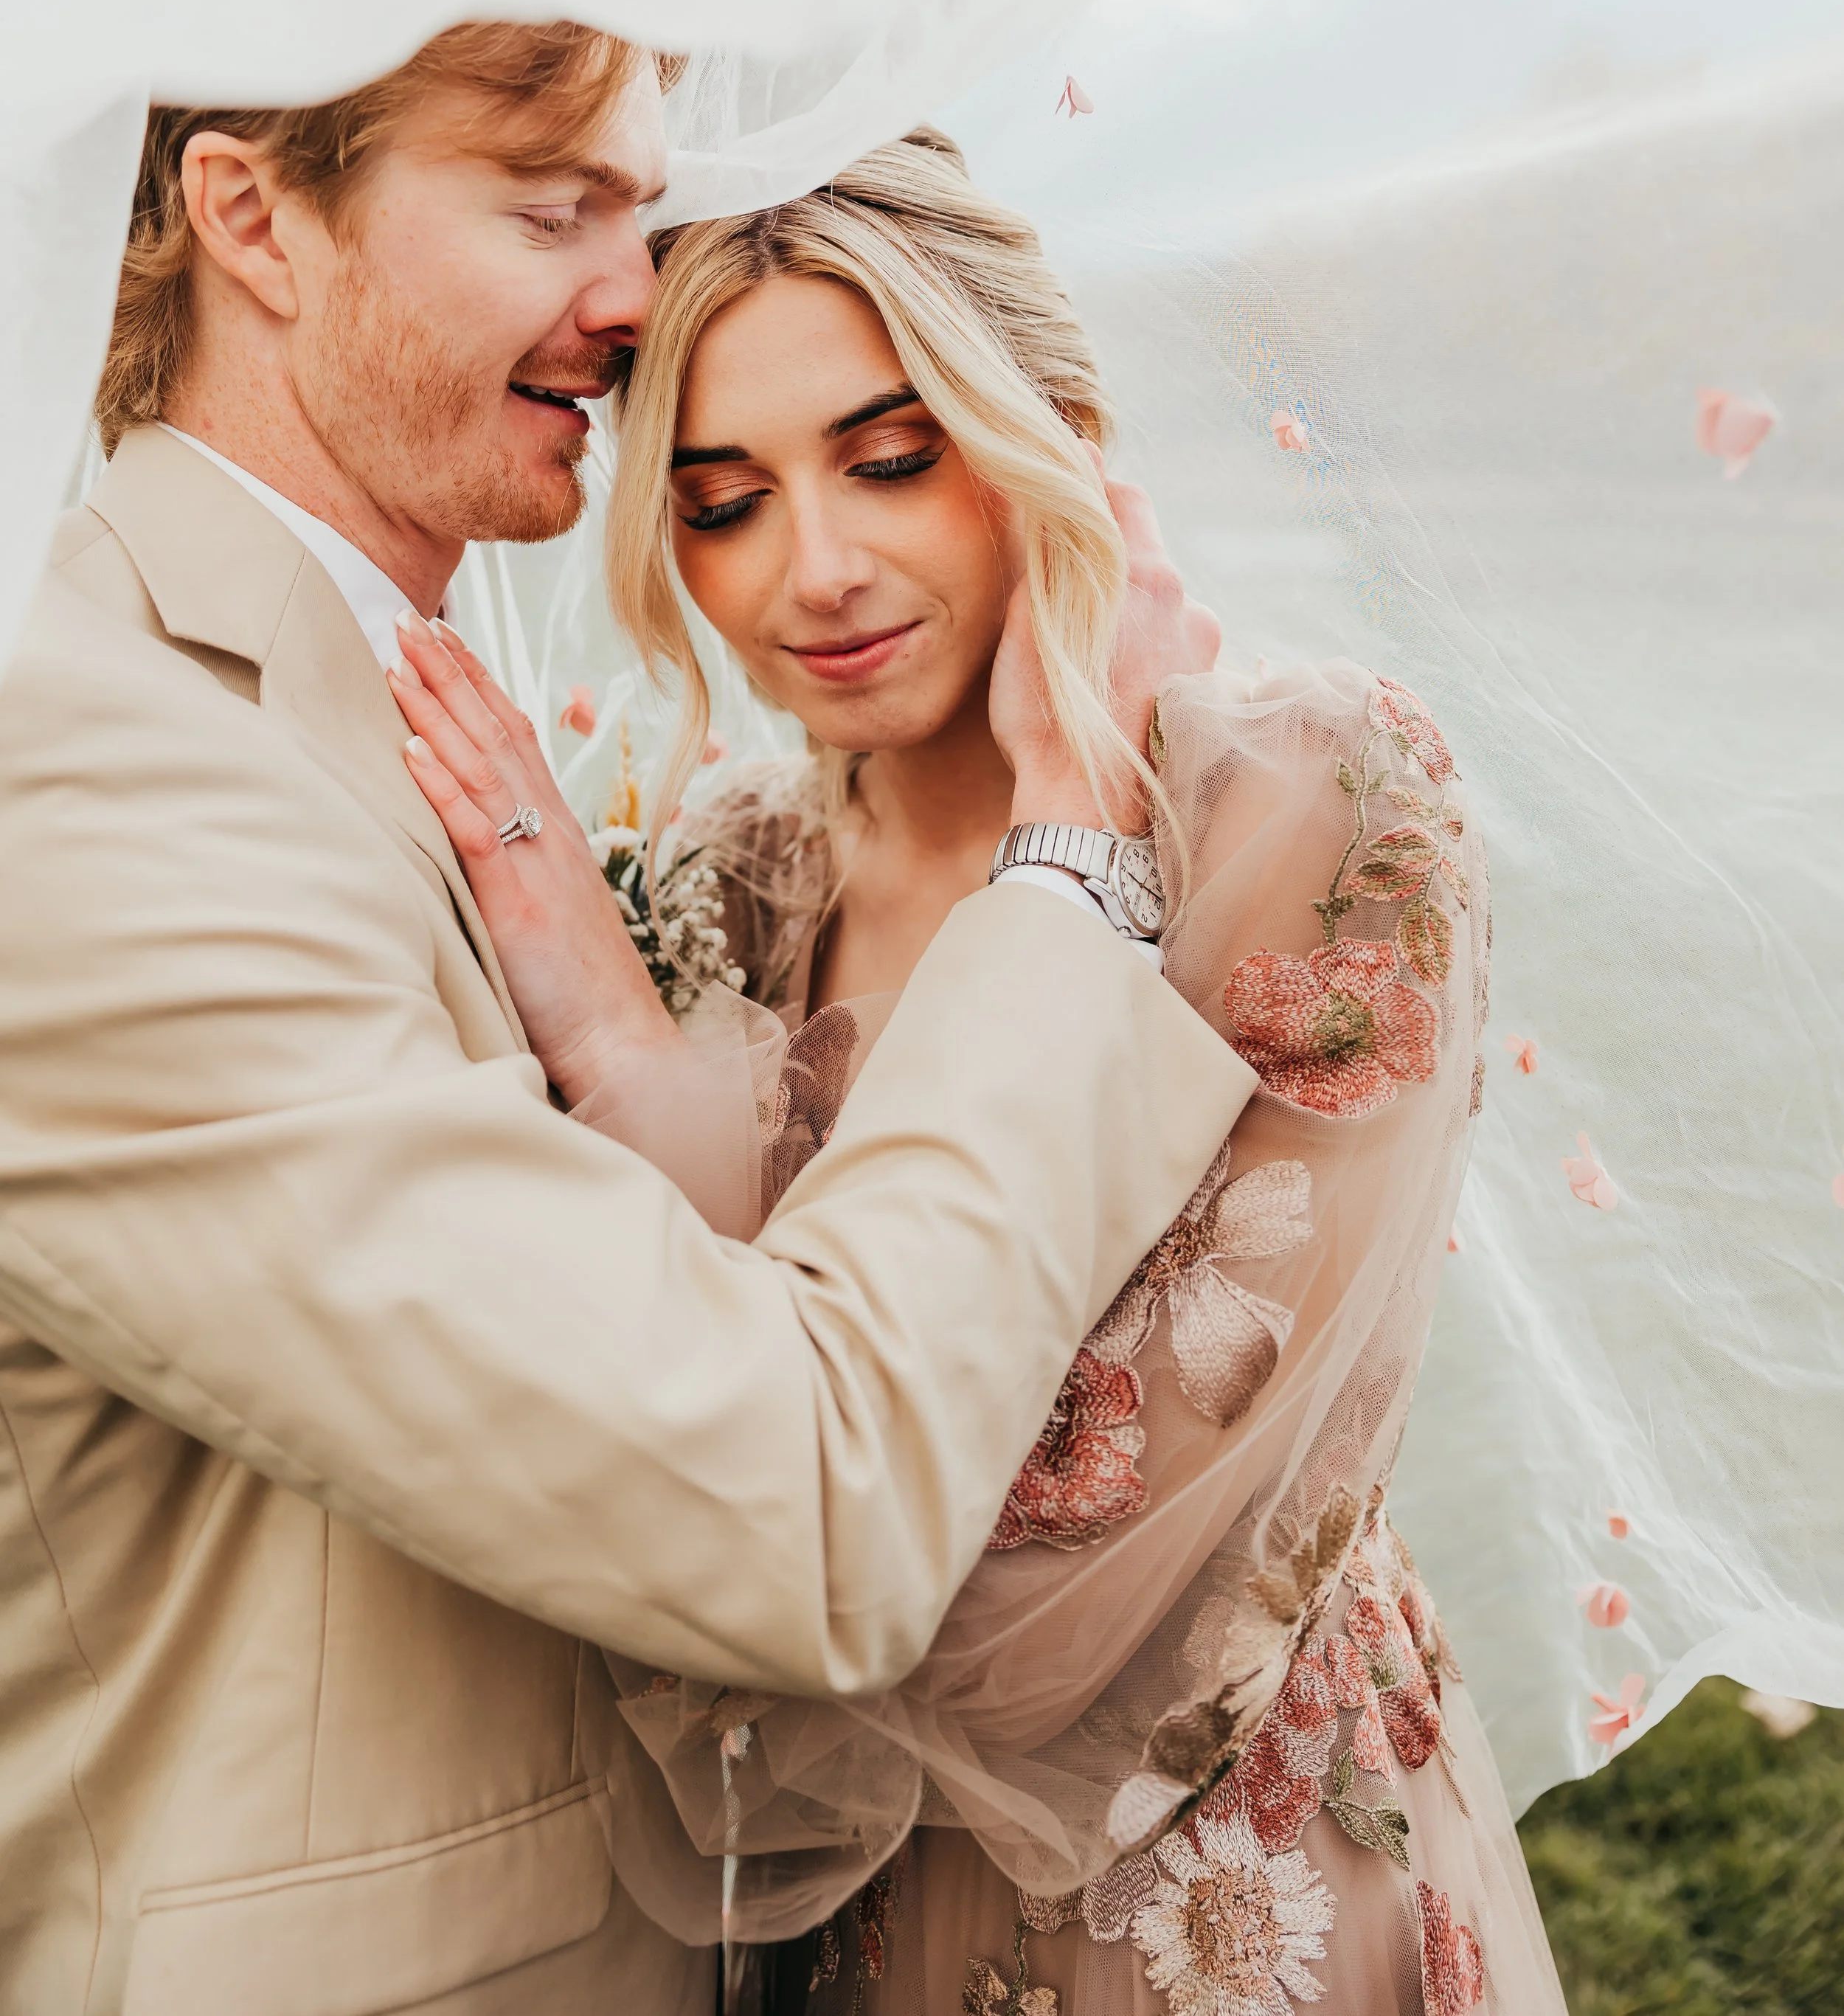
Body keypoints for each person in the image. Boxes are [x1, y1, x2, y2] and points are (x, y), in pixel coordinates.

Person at [0, 23, 1248, 2016]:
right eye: (551, 204)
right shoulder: (81, 782)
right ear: (252, 218)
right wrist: (1069, 863)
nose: (636, 280)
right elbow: (802, 1498)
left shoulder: (372, 684)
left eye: (638, 200)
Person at [396, 131, 1568, 2012]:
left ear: (1050, 426)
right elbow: (734, 1410)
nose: (816, 572)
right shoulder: (738, 875)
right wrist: (610, 1032)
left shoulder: (1315, 808)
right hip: (837, 1932)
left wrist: (1070, 830)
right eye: (721, 504)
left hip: (1220, 1890)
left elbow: (1066, 1589)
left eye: (887, 459)